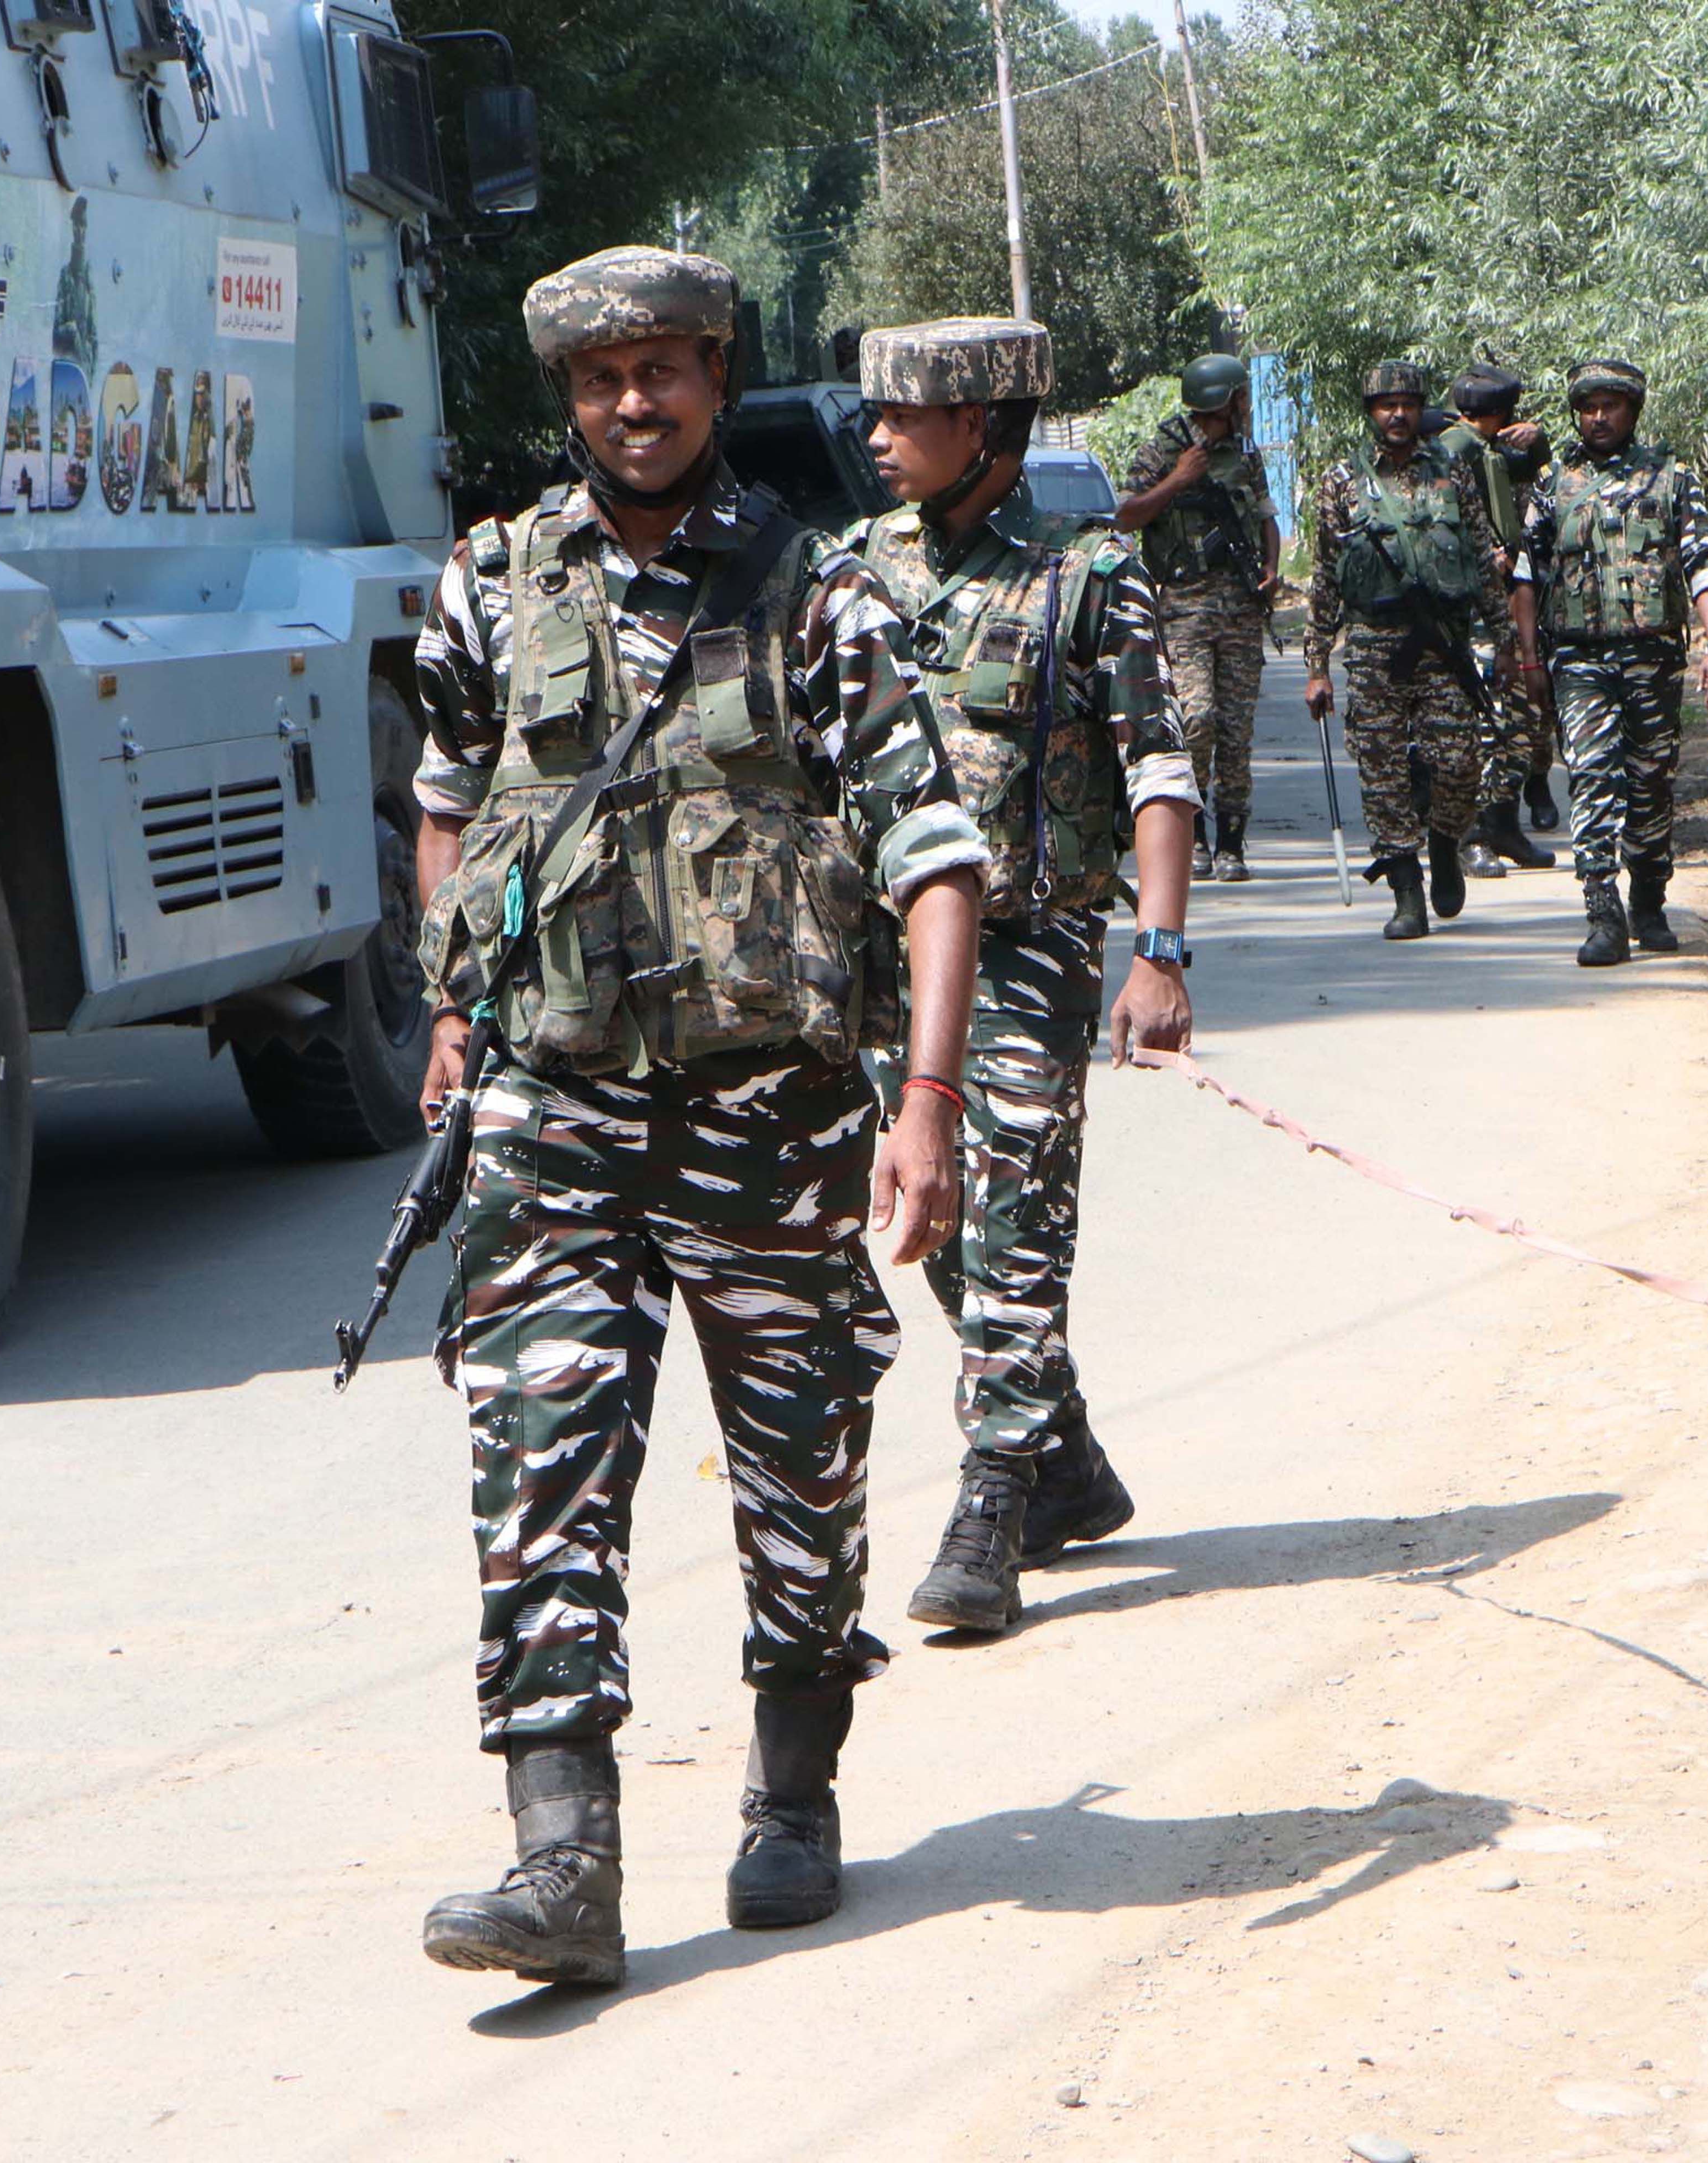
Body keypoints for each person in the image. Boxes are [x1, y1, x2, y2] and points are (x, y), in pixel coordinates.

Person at [405, 247, 989, 1987]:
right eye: (601, 382)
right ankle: (562, 1864)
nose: (632, 406)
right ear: (568, 400)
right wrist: (455, 1001)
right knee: (539, 1457)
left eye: (663, 371)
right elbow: (446, 799)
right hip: (555, 1108)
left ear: (717, 379)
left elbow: (934, 861)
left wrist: (932, 1101)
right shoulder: (494, 587)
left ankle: (792, 1793)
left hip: (771, 1116)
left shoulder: (817, 596)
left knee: (799, 1468)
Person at [843, 316, 1201, 1635]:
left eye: (905, 416)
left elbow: (1156, 768)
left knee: (1014, 1214)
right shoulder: (854, 572)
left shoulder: (1085, 575)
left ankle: (991, 1495)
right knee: (935, 1223)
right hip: (887, 961)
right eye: (871, 415)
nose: (877, 438)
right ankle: (1065, 1462)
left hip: (1033, 943)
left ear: (986, 431)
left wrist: (1157, 952)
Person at [1508, 359, 1708, 967]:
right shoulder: (1552, 486)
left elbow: (1702, 565)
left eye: (1610, 405)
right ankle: (1602, 911)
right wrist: (1529, 661)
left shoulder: (1670, 479)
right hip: (1578, 660)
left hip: (1652, 659)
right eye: (1587, 407)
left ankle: (1649, 899)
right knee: (1591, 777)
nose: (1598, 417)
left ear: (1632, 411)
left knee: (1650, 782)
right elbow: (1526, 579)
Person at [1304, 361, 1512, 941]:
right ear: (1369, 411)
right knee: (1382, 773)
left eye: (1406, 403)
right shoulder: (1342, 481)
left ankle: (1445, 840)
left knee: (1459, 762)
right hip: (1373, 643)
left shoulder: (1453, 473)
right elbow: (1325, 576)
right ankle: (1405, 892)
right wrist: (1317, 664)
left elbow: (1481, 559)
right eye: (1384, 404)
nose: (1396, 414)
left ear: (1421, 409)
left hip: (1442, 643)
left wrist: (1506, 644)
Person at [1116, 354, 1281, 880]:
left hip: (1239, 605)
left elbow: (1264, 514)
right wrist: (1178, 480)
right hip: (1183, 605)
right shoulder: (1163, 450)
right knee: (1197, 717)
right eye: (1239, 398)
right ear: (1223, 400)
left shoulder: (1244, 455)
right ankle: (1195, 831)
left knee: (1237, 727)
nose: (1245, 408)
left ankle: (1231, 842)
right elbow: (1124, 514)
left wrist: (1272, 566)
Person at [1445, 365, 1558, 875]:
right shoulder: (1452, 452)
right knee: (1483, 729)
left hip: (1506, 610)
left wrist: (1540, 444)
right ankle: (1471, 836)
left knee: (1517, 724)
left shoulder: (1491, 454)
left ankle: (1505, 824)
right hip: (1469, 616)